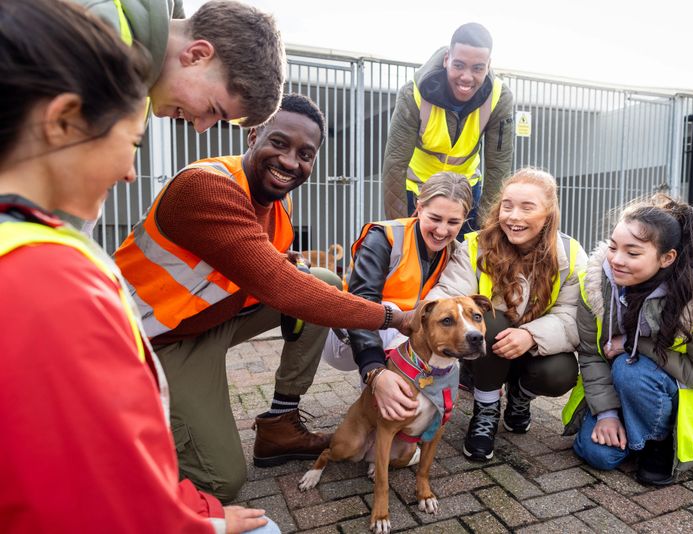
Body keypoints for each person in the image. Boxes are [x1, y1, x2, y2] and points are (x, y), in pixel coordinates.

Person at [0, 1, 272, 531]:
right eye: (130, 141)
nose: (130, 171)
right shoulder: (51, 279)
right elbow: (109, 490)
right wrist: (206, 522)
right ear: (62, 119)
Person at [114, 93, 411, 503]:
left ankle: (279, 425)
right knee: (222, 482)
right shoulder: (206, 186)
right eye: (279, 143)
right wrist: (392, 317)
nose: (291, 161)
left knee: (320, 279)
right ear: (253, 134)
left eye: (305, 154)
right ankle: (118, 441)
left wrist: (280, 264)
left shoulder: (275, 201)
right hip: (150, 340)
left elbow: (266, 267)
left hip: (205, 321)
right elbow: (280, 285)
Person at [563, 194, 693, 485]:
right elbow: (591, 353)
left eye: (632, 253)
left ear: (666, 258)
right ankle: (634, 429)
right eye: (613, 247)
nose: (617, 260)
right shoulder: (595, 284)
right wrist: (606, 413)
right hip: (620, 392)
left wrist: (638, 344)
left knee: (629, 367)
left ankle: (660, 439)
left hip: (680, 395)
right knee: (598, 455)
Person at [426, 168, 587, 461]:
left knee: (562, 372)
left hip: (536, 350)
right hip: (487, 354)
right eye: (507, 205)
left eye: (527, 207)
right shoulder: (476, 244)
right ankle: (485, 409)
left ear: (549, 212)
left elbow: (573, 316)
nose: (514, 216)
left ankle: (519, 398)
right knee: (490, 320)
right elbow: (450, 292)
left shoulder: (572, 255)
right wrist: (424, 314)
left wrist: (529, 335)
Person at [321, 171, 473, 422]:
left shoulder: (455, 253)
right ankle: (380, 410)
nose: (442, 230)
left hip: (397, 336)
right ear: (419, 206)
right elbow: (363, 304)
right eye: (435, 218)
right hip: (346, 338)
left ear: (464, 219)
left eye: (453, 222)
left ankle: (415, 410)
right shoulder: (384, 237)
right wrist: (374, 369)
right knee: (395, 313)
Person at [382, 22, 513, 238]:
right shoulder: (413, 92)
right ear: (446, 60)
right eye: (459, 65)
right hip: (417, 190)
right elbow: (394, 163)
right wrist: (398, 231)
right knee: (414, 260)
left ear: (488, 66)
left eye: (478, 68)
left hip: (466, 193)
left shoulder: (499, 97)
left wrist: (486, 231)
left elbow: (499, 168)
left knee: (465, 263)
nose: (467, 77)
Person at [73, 0, 284, 132]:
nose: (201, 127)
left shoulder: (142, 80)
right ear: (196, 55)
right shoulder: (96, 39)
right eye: (212, 109)